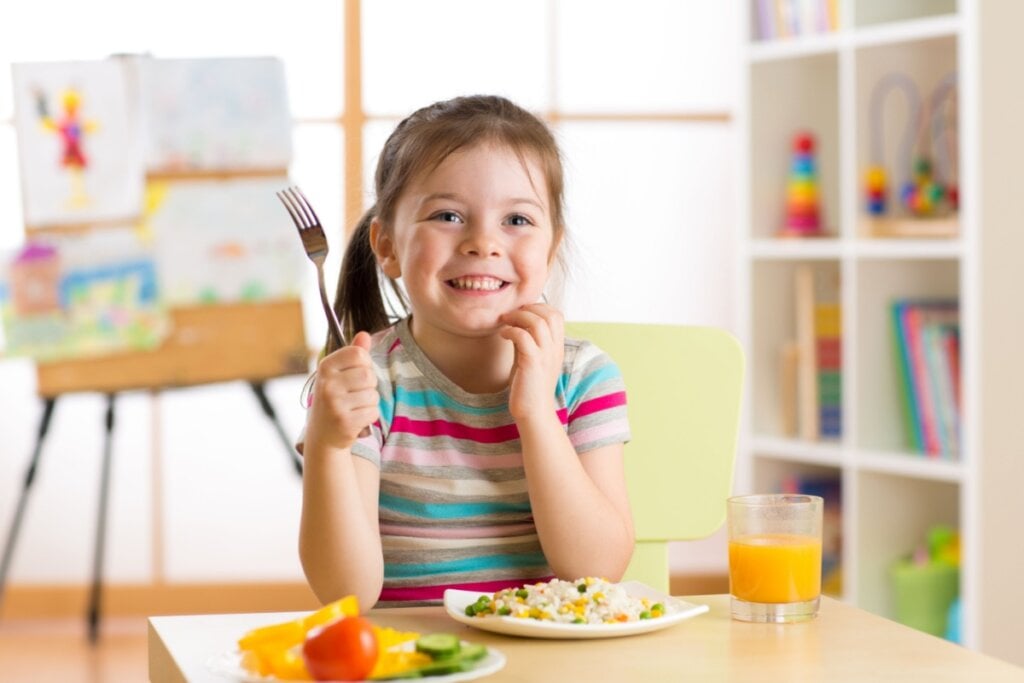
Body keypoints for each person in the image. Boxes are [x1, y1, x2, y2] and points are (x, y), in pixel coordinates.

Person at [298, 95, 634, 609]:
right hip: (415, 657)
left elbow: (598, 569)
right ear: (386, 246)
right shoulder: (367, 383)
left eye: (517, 220)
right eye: (448, 215)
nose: (483, 242)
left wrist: (536, 413)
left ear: (551, 247)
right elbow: (346, 594)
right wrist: (327, 445)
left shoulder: (582, 376)